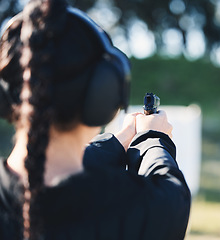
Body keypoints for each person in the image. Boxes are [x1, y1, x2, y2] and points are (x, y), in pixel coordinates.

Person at [0, 0, 191, 239]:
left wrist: (117, 143)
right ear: (104, 92)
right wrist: (153, 138)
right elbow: (171, 194)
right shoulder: (139, 210)